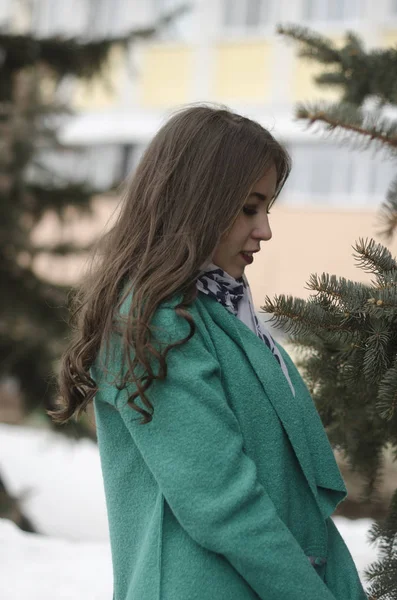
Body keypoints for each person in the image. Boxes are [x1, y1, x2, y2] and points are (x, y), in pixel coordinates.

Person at [53, 105, 368, 600]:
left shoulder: (223, 313)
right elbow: (223, 502)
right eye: (249, 208)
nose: (264, 230)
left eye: (268, 208)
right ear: (197, 202)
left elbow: (291, 492)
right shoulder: (153, 321)